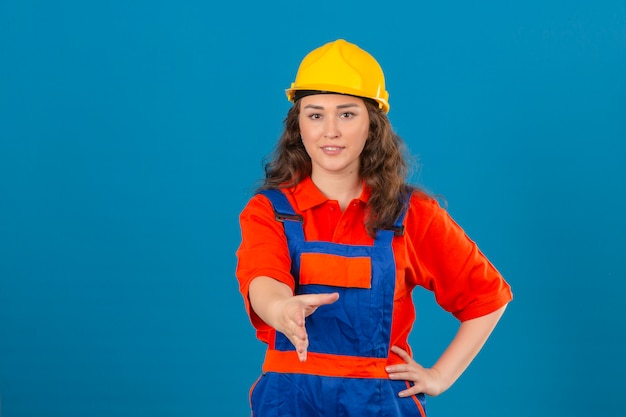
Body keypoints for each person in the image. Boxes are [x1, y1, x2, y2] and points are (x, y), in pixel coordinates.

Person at [235, 38, 513, 417]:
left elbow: (486, 297)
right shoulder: (269, 211)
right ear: (298, 125)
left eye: (347, 114)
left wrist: (440, 377)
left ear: (372, 125)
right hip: (290, 398)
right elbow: (262, 279)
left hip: (380, 402)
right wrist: (281, 308)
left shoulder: (413, 215)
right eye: (315, 114)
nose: (329, 130)